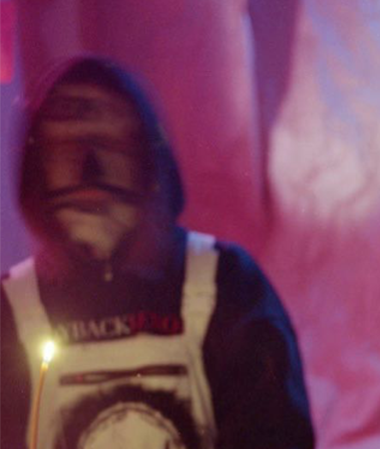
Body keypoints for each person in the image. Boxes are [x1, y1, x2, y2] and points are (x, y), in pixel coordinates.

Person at [0, 56, 315, 449]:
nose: (89, 169)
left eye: (109, 145)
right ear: (37, 168)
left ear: (147, 158)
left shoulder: (227, 283)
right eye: (64, 150)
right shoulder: (11, 308)